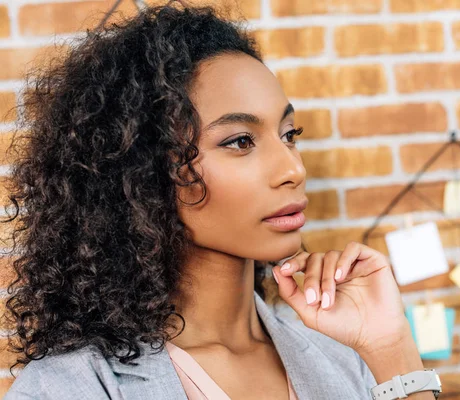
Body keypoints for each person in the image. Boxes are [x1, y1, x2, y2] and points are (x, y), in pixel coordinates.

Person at [1, 3, 435, 399]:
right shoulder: (66, 387)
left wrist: (391, 348)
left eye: (289, 135)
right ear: (142, 173)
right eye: (241, 141)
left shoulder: (344, 354)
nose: (293, 169)